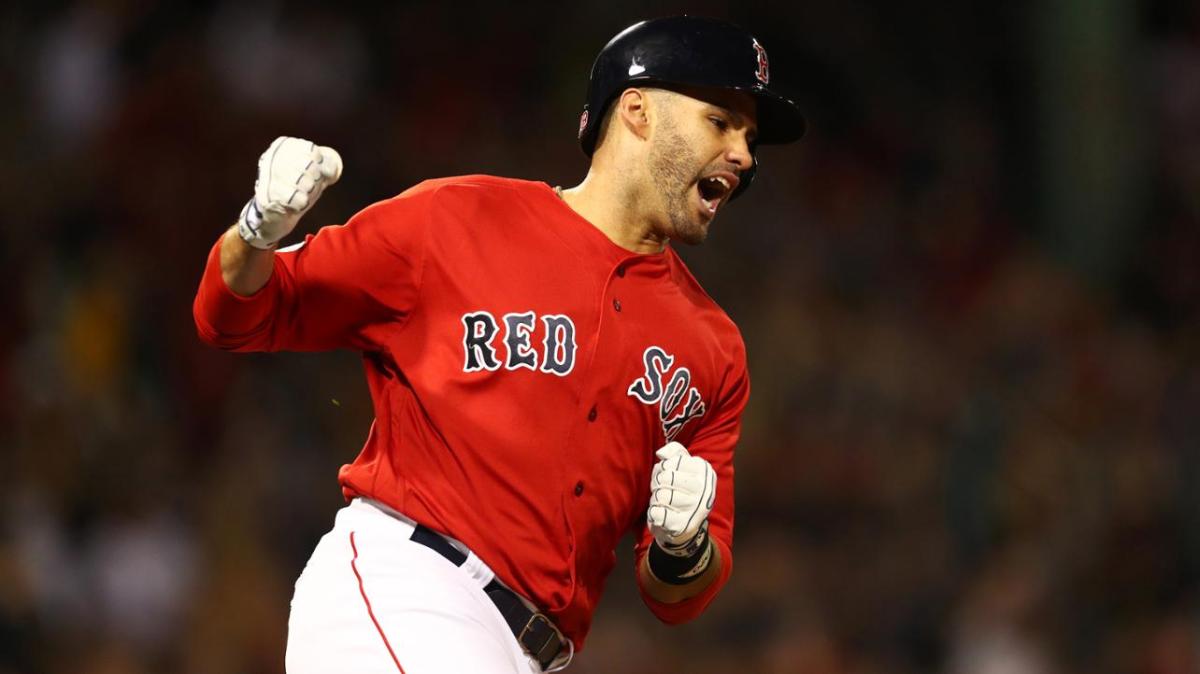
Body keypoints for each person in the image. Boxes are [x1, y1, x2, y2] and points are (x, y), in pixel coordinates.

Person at [193, 15, 804, 674]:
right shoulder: (457, 219)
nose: (744, 156)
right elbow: (236, 315)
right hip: (411, 585)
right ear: (637, 111)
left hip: (526, 653)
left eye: (749, 138)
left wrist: (683, 547)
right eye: (721, 122)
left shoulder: (713, 348)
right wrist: (255, 231)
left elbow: (677, 596)